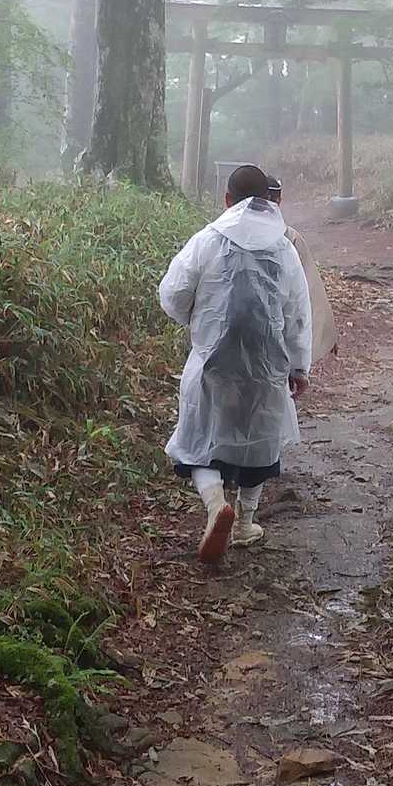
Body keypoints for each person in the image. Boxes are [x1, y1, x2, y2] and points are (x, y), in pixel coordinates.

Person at [158, 163, 312, 565]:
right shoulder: (283, 248)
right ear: (268, 200)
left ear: (227, 199)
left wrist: (194, 317)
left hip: (213, 361)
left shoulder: (206, 240)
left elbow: (173, 294)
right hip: (266, 366)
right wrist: (300, 366)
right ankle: (244, 523)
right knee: (259, 441)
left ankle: (215, 505)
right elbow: (297, 312)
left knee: (198, 441)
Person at [265, 177, 338, 364]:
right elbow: (310, 291)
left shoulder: (224, 237)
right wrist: (324, 335)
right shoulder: (290, 237)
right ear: (279, 201)